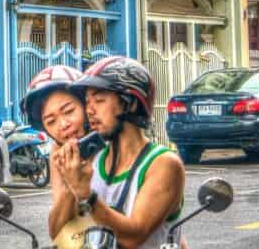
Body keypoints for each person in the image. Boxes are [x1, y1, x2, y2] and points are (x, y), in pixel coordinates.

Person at [52, 56, 186, 249]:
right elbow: (58, 234)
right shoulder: (93, 160)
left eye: (99, 100)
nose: (90, 110)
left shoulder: (163, 164)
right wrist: (69, 185)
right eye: (87, 102)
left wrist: (85, 195)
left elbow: (134, 236)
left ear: (129, 103)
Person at [19, 65, 93, 245]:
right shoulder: (58, 154)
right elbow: (56, 230)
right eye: (51, 121)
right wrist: (71, 183)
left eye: (69, 111)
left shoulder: (112, 141)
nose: (63, 125)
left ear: (85, 106)